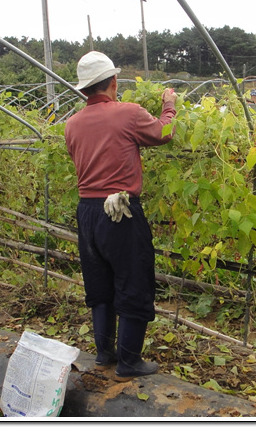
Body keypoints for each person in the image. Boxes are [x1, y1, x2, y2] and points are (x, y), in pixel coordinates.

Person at [64, 51, 177, 380]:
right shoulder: (127, 113)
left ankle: (104, 354)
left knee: (100, 283)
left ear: (84, 89)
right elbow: (163, 133)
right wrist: (168, 106)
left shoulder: (72, 124)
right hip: (120, 209)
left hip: (87, 211)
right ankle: (129, 363)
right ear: (113, 82)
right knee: (133, 280)